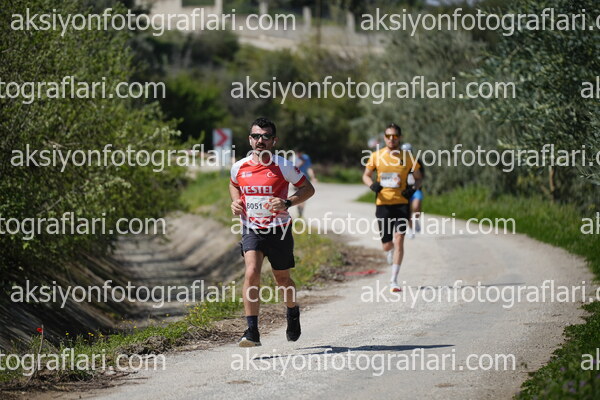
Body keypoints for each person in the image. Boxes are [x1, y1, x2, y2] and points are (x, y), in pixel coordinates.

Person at [230, 117, 315, 347]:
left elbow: (308, 189)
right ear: (250, 139)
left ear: (274, 140)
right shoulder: (239, 167)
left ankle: (292, 311)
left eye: (266, 136)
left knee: (283, 279)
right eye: (256, 136)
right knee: (251, 272)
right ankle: (252, 331)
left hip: (279, 231)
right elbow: (234, 184)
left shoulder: (283, 166)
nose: (260, 141)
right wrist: (236, 201)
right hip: (252, 229)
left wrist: (287, 203)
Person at [362, 123, 422, 293]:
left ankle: (393, 280)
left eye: (395, 136)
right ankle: (389, 251)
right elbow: (366, 175)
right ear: (384, 138)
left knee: (399, 239)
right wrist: (372, 185)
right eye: (388, 136)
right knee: (387, 245)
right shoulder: (376, 156)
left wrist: (413, 189)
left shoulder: (408, 157)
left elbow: (419, 178)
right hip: (383, 204)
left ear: (400, 138)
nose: (391, 139)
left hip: (401, 203)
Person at [401, 143, 425, 239]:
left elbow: (422, 175)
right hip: (405, 190)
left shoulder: (417, 162)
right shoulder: (399, 162)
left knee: (416, 207)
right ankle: (410, 229)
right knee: (408, 211)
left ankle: (417, 220)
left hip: (416, 188)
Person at [293, 149, 317, 218]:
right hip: (295, 180)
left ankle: (301, 212)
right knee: (297, 195)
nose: (299, 155)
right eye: (298, 153)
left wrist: (313, 177)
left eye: (300, 153)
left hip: (305, 180)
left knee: (304, 196)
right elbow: (292, 169)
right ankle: (299, 209)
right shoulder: (293, 158)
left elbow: (309, 168)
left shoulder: (306, 157)